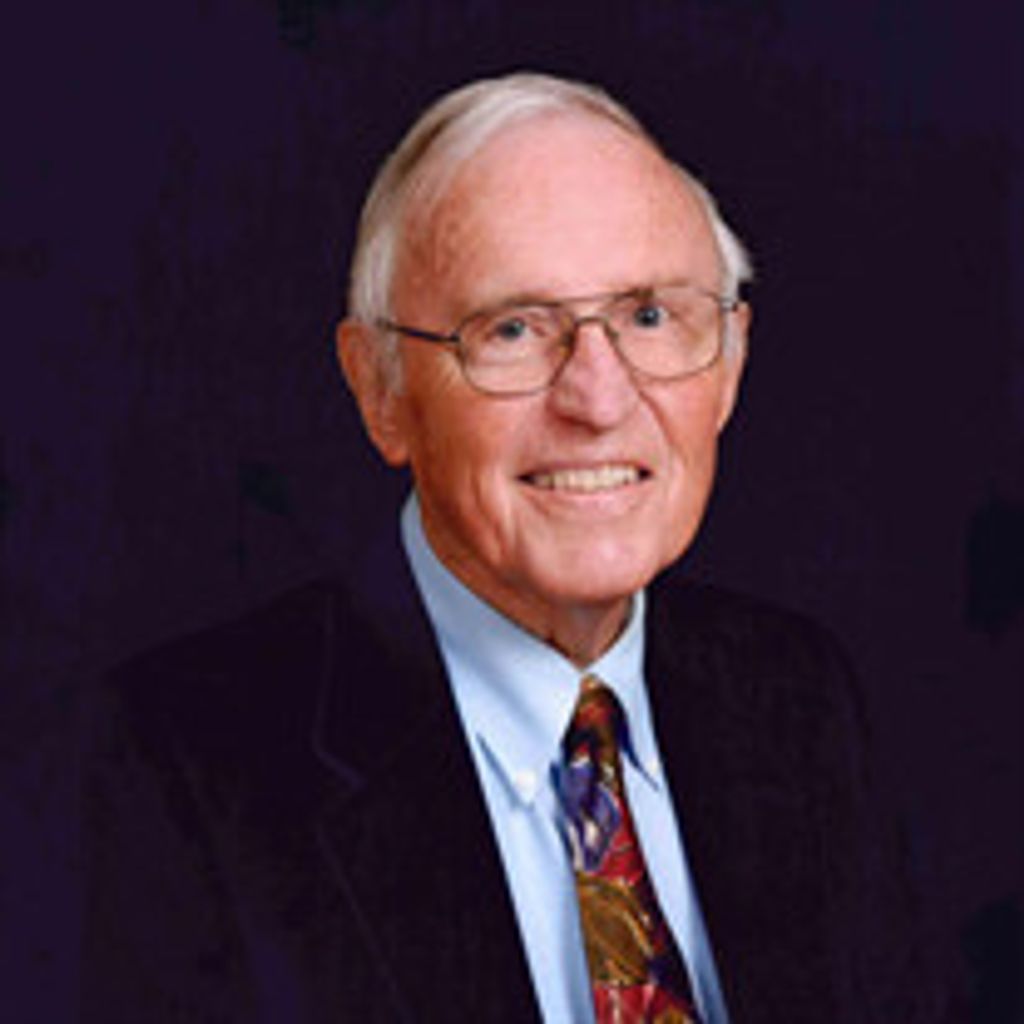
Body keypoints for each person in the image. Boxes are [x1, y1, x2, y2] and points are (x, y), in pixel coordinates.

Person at [80, 73, 949, 1023]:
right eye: (514, 330)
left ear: (731, 362)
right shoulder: (178, 766)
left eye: (649, 316)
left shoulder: (796, 697)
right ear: (381, 389)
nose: (598, 399)